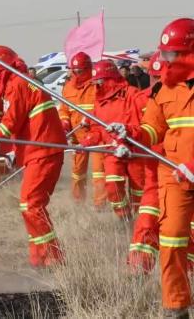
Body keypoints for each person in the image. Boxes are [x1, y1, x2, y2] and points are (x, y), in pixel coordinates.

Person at [113, 18, 194, 317]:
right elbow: (152, 129)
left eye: (174, 54)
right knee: (171, 239)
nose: (168, 61)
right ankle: (177, 307)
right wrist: (130, 134)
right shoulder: (164, 91)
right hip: (175, 176)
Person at [0, 46, 66, 267]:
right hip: (37, 149)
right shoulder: (20, 82)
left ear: (2, 71)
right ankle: (39, 258)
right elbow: (26, 126)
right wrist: (14, 152)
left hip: (44, 150)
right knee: (29, 205)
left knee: (31, 204)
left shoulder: (17, 85)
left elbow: (8, 126)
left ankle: (54, 260)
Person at [80, 60, 145, 219]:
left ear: (110, 79)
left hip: (135, 150)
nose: (97, 86)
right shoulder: (99, 102)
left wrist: (128, 138)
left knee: (139, 191)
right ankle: (124, 218)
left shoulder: (133, 94)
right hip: (112, 151)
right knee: (112, 185)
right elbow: (97, 130)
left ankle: (139, 222)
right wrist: (85, 142)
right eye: (95, 82)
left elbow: (145, 123)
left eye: (100, 82)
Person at [127, 51, 167, 273]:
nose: (157, 83)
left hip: (184, 172)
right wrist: (125, 140)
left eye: (161, 78)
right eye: (154, 77)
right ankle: (138, 270)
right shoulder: (142, 99)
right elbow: (137, 129)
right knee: (147, 219)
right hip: (155, 171)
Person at [58, 52, 106, 208]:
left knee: (99, 172)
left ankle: (100, 205)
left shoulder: (97, 85)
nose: (76, 74)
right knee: (77, 171)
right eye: (74, 71)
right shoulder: (68, 88)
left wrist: (91, 118)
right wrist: (64, 123)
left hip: (96, 135)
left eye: (80, 71)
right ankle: (78, 201)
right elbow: (64, 110)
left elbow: (104, 107)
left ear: (88, 69)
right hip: (77, 136)